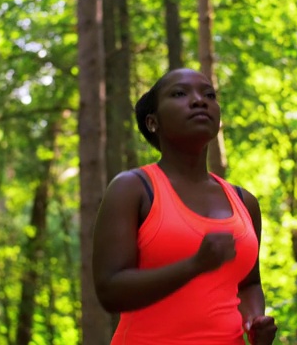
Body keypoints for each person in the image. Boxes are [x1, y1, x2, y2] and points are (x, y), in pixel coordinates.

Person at [92, 68, 277, 345]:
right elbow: (110, 291)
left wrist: (254, 320)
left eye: (209, 95)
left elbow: (249, 284)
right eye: (179, 94)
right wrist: (194, 265)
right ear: (153, 122)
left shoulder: (243, 201)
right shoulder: (133, 189)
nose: (199, 101)